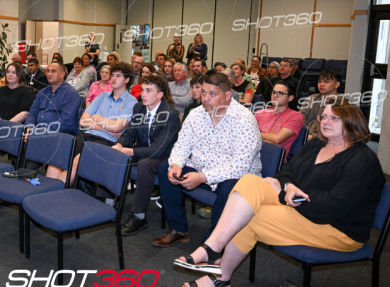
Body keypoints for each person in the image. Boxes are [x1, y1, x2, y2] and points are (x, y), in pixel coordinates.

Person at [175, 101, 384, 287]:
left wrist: (285, 193)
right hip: (303, 207)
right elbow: (286, 173)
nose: (325, 122)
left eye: (334, 118)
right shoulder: (317, 145)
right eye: (323, 117)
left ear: (351, 121)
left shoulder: (362, 160)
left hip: (337, 228)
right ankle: (213, 247)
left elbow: (330, 207)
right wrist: (288, 186)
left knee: (250, 215)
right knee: (249, 182)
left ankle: (220, 279)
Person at [153, 73, 261, 247]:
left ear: (227, 95)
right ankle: (179, 229)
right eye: (203, 92)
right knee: (165, 168)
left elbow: (240, 166)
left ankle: (213, 244)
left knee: (231, 190)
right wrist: (176, 164)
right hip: (202, 169)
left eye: (212, 94)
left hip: (233, 176)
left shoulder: (244, 119)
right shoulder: (196, 114)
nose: (206, 98)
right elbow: (182, 145)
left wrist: (203, 177)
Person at [114, 74, 181, 235]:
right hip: (143, 152)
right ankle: (107, 204)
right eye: (143, 90)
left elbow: (158, 150)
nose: (143, 94)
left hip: (165, 157)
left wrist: (129, 151)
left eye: (149, 91)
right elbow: (130, 134)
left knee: (145, 163)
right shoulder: (139, 108)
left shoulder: (171, 114)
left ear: (160, 94)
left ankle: (139, 216)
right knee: (114, 154)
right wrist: (119, 144)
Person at [56, 62, 137, 184]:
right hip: (87, 135)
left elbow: (116, 127)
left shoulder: (131, 101)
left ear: (127, 79)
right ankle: (49, 188)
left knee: (76, 160)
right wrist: (107, 128)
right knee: (62, 156)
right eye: (113, 75)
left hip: (107, 141)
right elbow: (83, 121)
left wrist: (95, 117)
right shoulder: (102, 96)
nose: (113, 78)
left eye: (118, 76)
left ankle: (58, 189)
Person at [25, 61, 82, 136]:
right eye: (48, 71)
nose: (49, 74)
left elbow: (65, 122)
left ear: (62, 74)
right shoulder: (42, 92)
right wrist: (29, 127)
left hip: (59, 135)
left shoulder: (71, 94)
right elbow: (32, 113)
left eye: (53, 71)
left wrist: (42, 133)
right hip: (38, 132)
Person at [254, 79, 305, 158]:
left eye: (280, 93)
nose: (274, 96)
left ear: (290, 98)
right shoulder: (260, 113)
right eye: (273, 92)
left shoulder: (296, 116)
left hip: (272, 158)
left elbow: (277, 139)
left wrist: (254, 134)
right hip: (253, 152)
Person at [299, 70, 342, 138]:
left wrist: (314, 138)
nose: (321, 84)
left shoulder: (343, 103)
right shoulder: (310, 99)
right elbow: (300, 120)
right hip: (307, 136)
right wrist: (304, 136)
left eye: (326, 81)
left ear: (337, 84)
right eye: (319, 81)